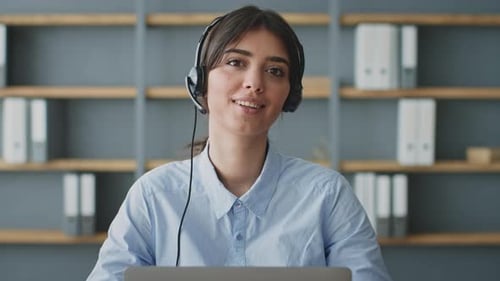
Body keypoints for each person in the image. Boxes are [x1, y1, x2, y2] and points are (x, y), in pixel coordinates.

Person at [86, 5, 392, 281]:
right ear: (201, 82)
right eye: (235, 62)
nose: (254, 83)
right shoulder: (154, 196)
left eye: (274, 71)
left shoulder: (327, 196)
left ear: (289, 95)